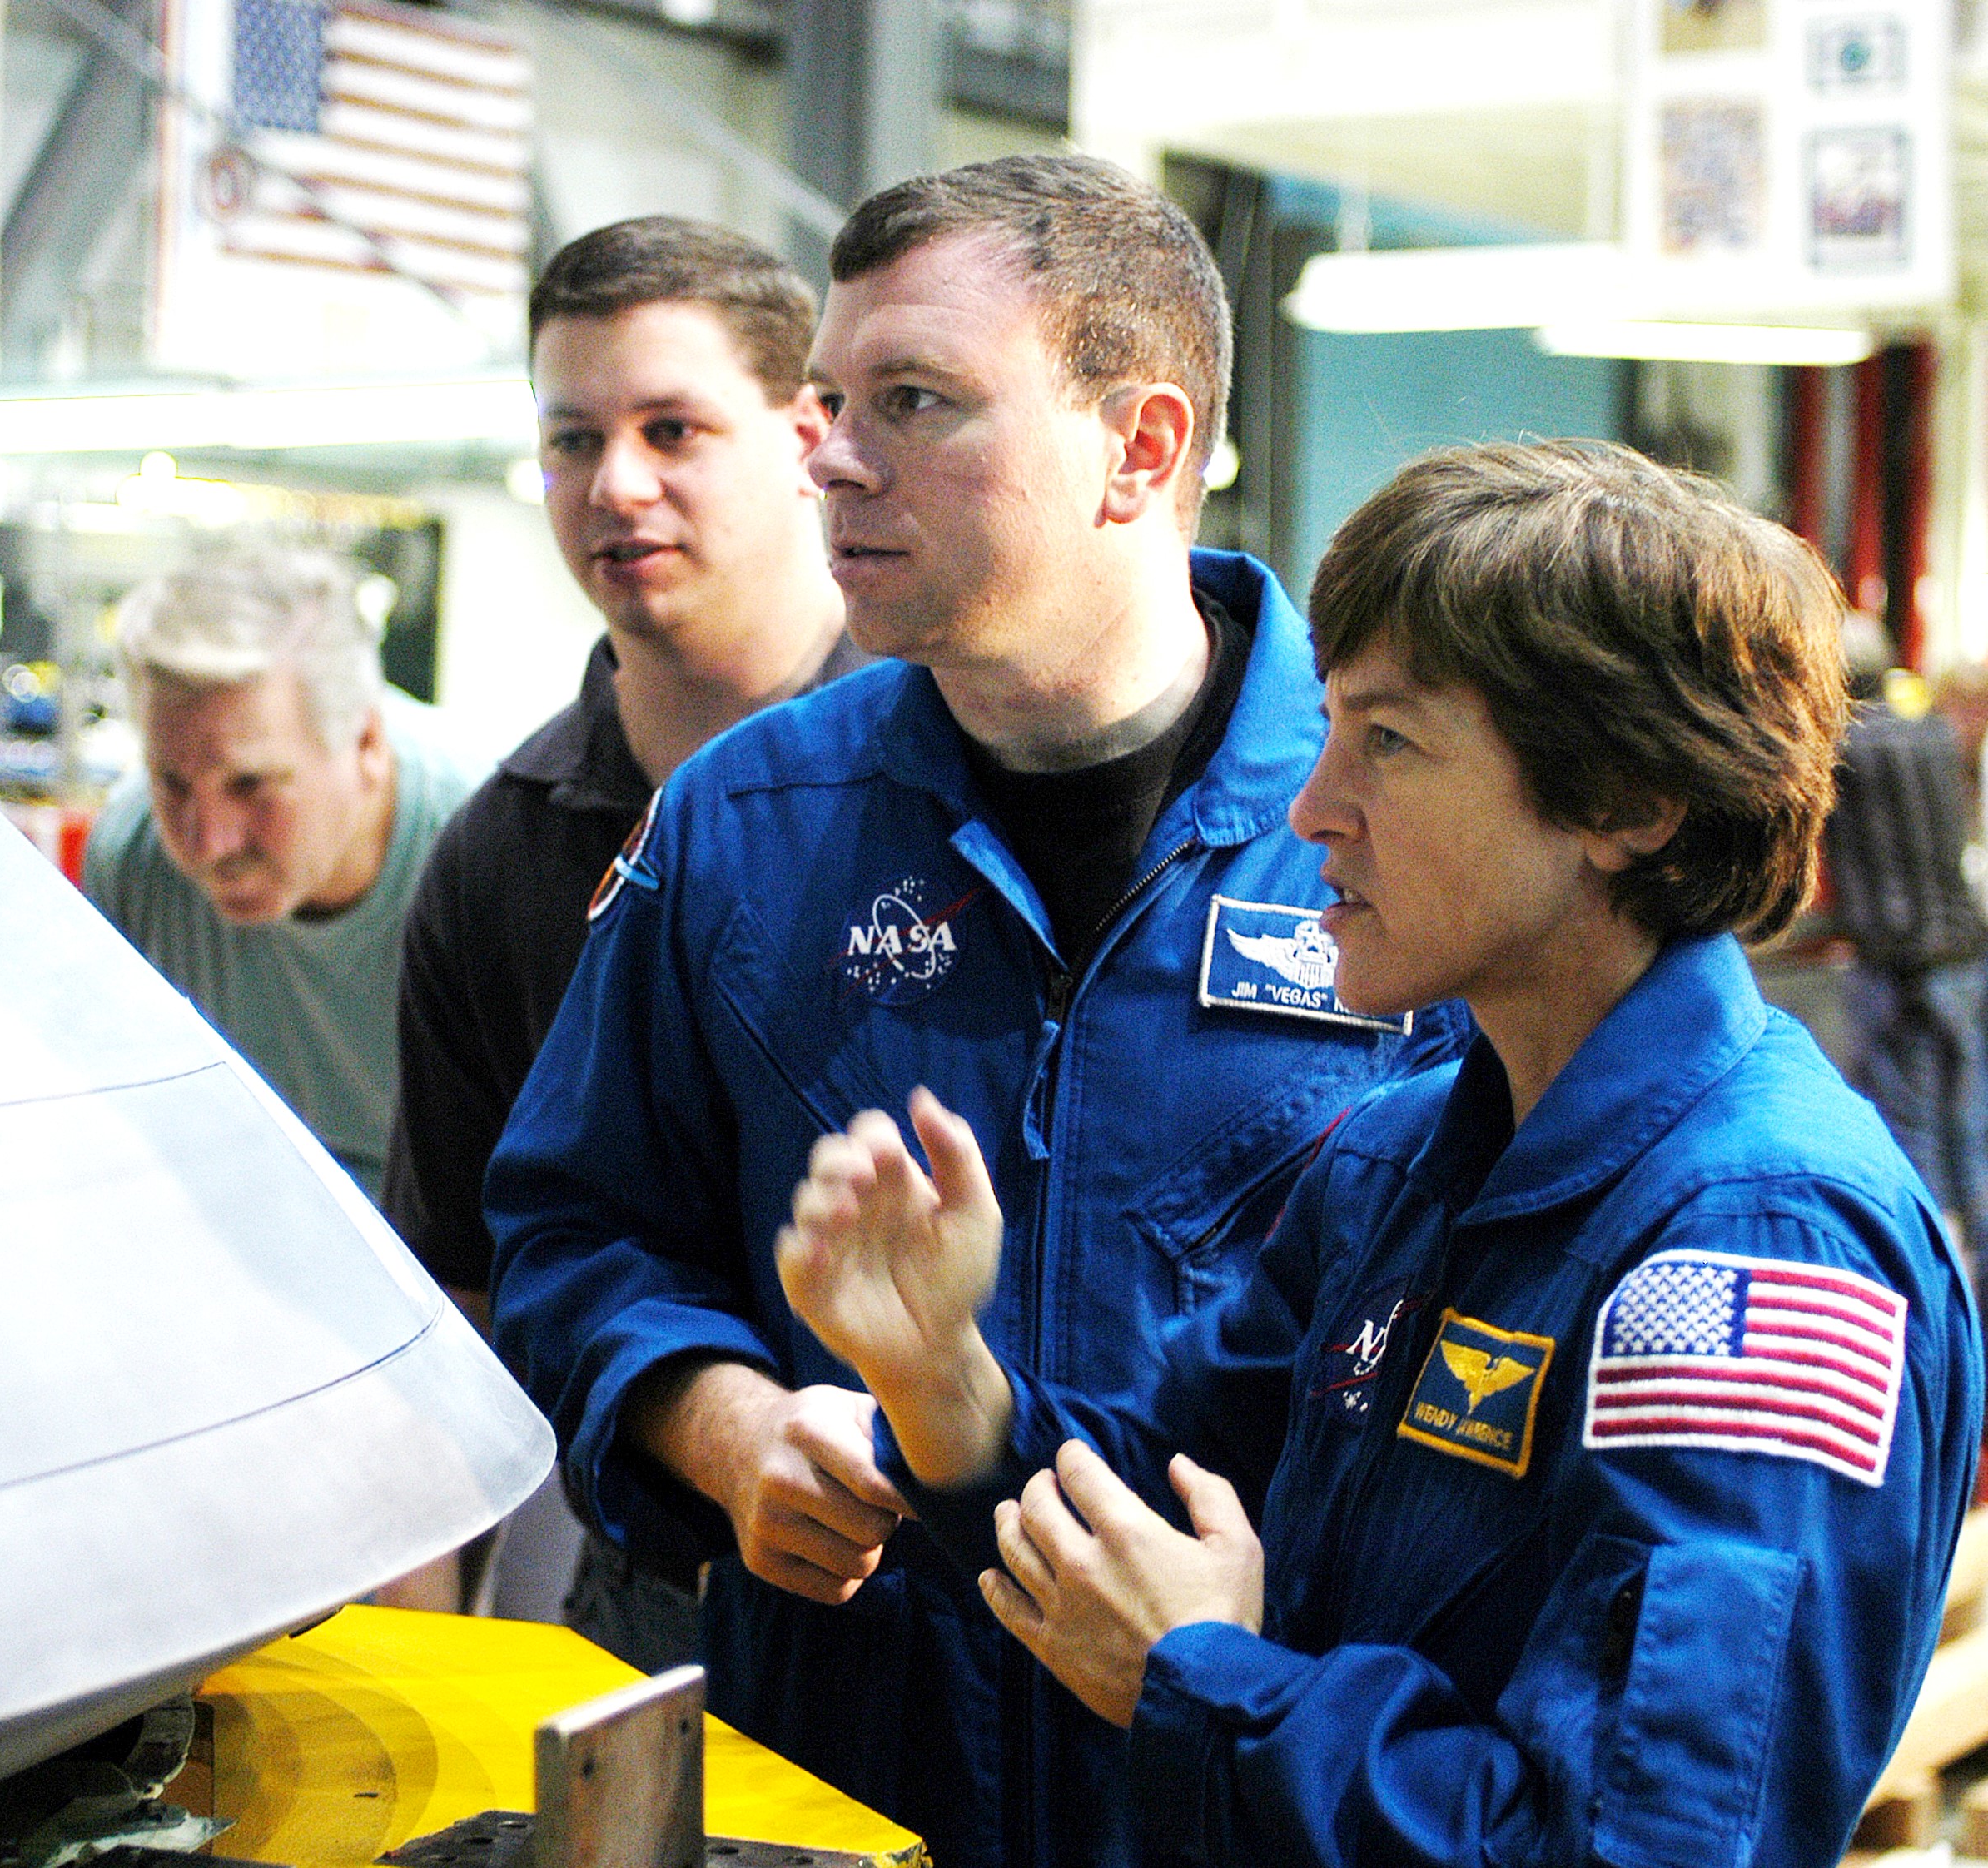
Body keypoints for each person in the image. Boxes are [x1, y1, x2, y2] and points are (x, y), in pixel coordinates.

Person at [779, 440, 1983, 1868]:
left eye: (1391, 743)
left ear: (1630, 805)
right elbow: (1161, 1486)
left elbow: (1635, 1845)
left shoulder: (1755, 1244)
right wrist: (943, 1380)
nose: (1312, 808)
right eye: (1332, 728)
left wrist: (1216, 1680)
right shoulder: (1408, 1156)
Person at [485, 154, 1466, 1868]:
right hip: (846, 1788)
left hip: (1235, 1794)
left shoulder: (1409, 825)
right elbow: (577, 1234)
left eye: (916, 403)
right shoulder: (743, 828)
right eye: (831, 403)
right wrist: (724, 1427)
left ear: (1139, 450)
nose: (833, 458)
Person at [381, 216, 862, 1659]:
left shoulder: (948, 788)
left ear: (803, 436)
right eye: (573, 438)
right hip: (649, 1582)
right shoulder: (503, 853)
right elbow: (460, 1288)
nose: (617, 485)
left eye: (673, 428)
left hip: (943, 1567)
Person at [84, 547, 481, 1205]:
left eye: (251, 785)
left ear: (366, 747)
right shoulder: (132, 856)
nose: (208, 842)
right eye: (172, 783)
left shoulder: (489, 859)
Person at [1825, 640, 1988, 1259]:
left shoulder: (1845, 751)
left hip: (1900, 969)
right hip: (1967, 954)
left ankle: (1924, 1288)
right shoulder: (1937, 737)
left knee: (1909, 1138)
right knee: (1971, 1135)